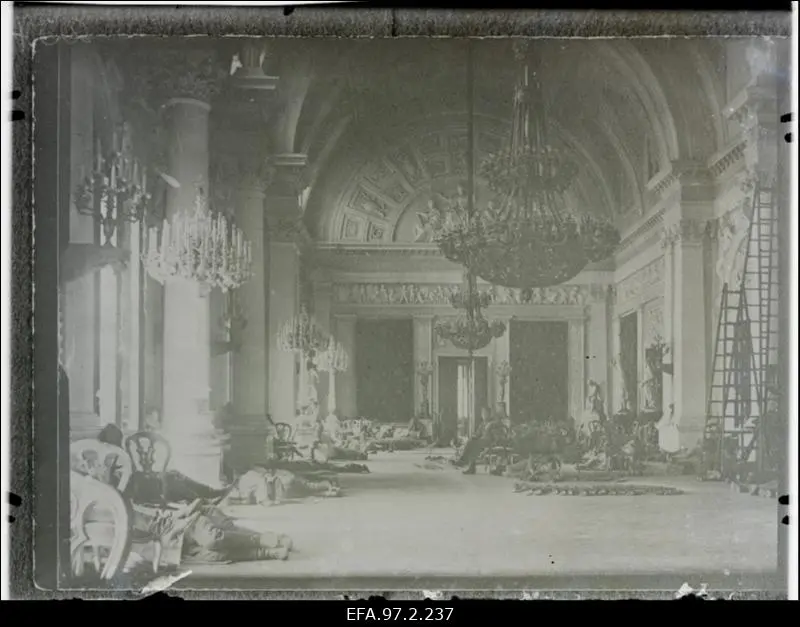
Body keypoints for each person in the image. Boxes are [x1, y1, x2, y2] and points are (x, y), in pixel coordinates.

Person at [96, 423, 231, 504]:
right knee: (172, 481)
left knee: (174, 474)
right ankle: (204, 498)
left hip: (141, 482)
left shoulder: (115, 456)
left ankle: (210, 492)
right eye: (117, 441)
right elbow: (120, 487)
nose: (119, 445)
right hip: (140, 490)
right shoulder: (108, 460)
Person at [456, 407, 506, 475]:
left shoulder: (493, 422)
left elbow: (500, 425)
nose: (484, 415)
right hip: (482, 440)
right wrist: (474, 436)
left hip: (490, 441)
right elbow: (477, 433)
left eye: (486, 413)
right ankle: (467, 463)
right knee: (471, 442)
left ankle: (466, 463)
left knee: (474, 444)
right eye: (483, 414)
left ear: (489, 414)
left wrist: (491, 424)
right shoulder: (482, 424)